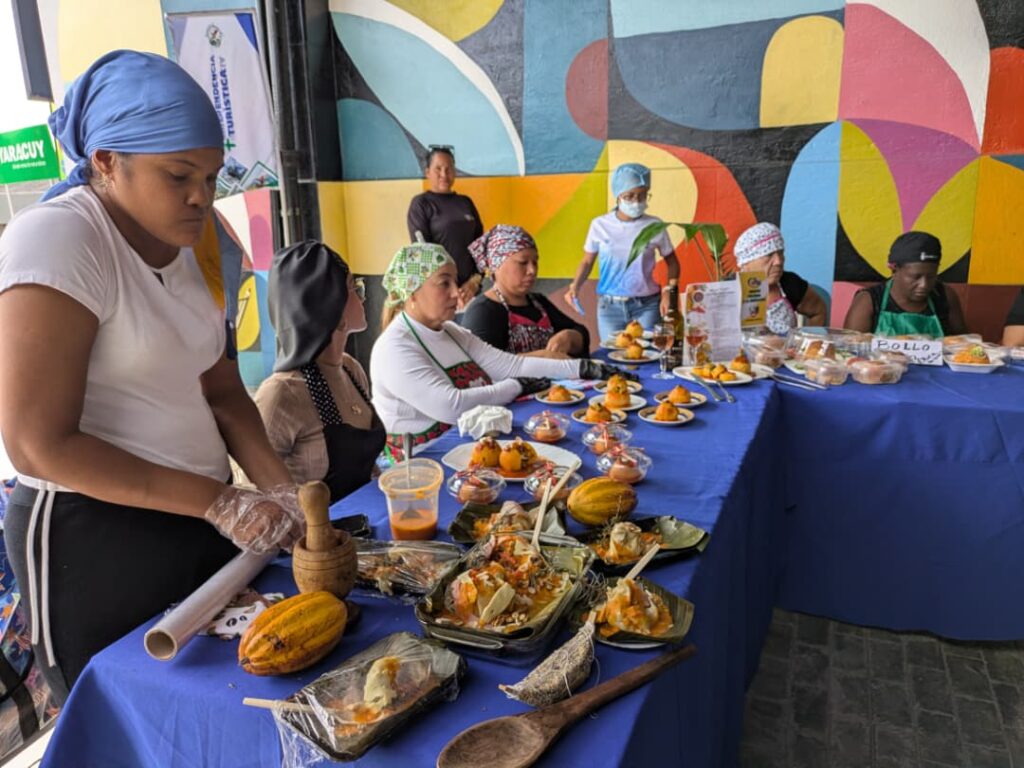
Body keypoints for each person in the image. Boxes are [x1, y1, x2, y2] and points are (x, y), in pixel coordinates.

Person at [0, 51, 303, 698]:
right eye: (178, 175)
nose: (202, 195)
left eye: (213, 175)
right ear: (106, 162)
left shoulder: (198, 238)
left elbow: (221, 388)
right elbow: (37, 444)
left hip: (198, 518)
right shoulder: (59, 240)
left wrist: (281, 492)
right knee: (126, 704)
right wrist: (218, 503)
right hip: (94, 534)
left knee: (223, 694)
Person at [371, 244, 628, 459]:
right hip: (421, 466)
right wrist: (515, 387)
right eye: (443, 283)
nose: (455, 292)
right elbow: (452, 406)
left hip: (465, 446)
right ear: (411, 293)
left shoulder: (451, 331)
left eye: (455, 280)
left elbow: (510, 365)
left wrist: (581, 369)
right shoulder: (394, 348)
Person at [255, 241, 384, 503]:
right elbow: (260, 493)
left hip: (366, 525)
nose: (362, 295)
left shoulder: (350, 369)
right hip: (320, 537)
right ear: (328, 303)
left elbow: (365, 467)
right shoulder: (283, 393)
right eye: (352, 287)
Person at [564, 163, 678, 341]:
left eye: (642, 196)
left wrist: (668, 293)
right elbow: (587, 262)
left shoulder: (655, 225)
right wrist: (575, 286)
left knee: (646, 356)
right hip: (610, 308)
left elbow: (673, 262)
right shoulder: (600, 225)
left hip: (647, 305)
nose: (636, 202)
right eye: (629, 196)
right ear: (618, 195)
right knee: (612, 360)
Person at [460, 225, 589, 358]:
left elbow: (580, 332)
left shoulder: (538, 303)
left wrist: (570, 337)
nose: (532, 270)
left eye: (535, 262)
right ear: (497, 265)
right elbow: (485, 365)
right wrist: (543, 358)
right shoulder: (483, 312)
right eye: (523, 263)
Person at [844, 231, 967, 337]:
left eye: (931, 276)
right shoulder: (869, 300)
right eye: (915, 277)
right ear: (894, 270)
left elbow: (962, 344)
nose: (924, 284)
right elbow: (850, 349)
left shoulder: (945, 296)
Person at [406, 145, 484, 310]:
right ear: (427, 172)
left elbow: (480, 248)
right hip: (440, 296)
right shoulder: (421, 204)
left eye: (449, 169)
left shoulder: (465, 202)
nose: (444, 174)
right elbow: (424, 253)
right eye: (438, 169)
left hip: (470, 294)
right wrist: (451, 288)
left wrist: (474, 282)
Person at [734, 222, 828, 334]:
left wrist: (808, 344)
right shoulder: (729, 291)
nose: (778, 262)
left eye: (781, 253)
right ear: (746, 263)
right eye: (769, 255)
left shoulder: (790, 284)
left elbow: (818, 311)